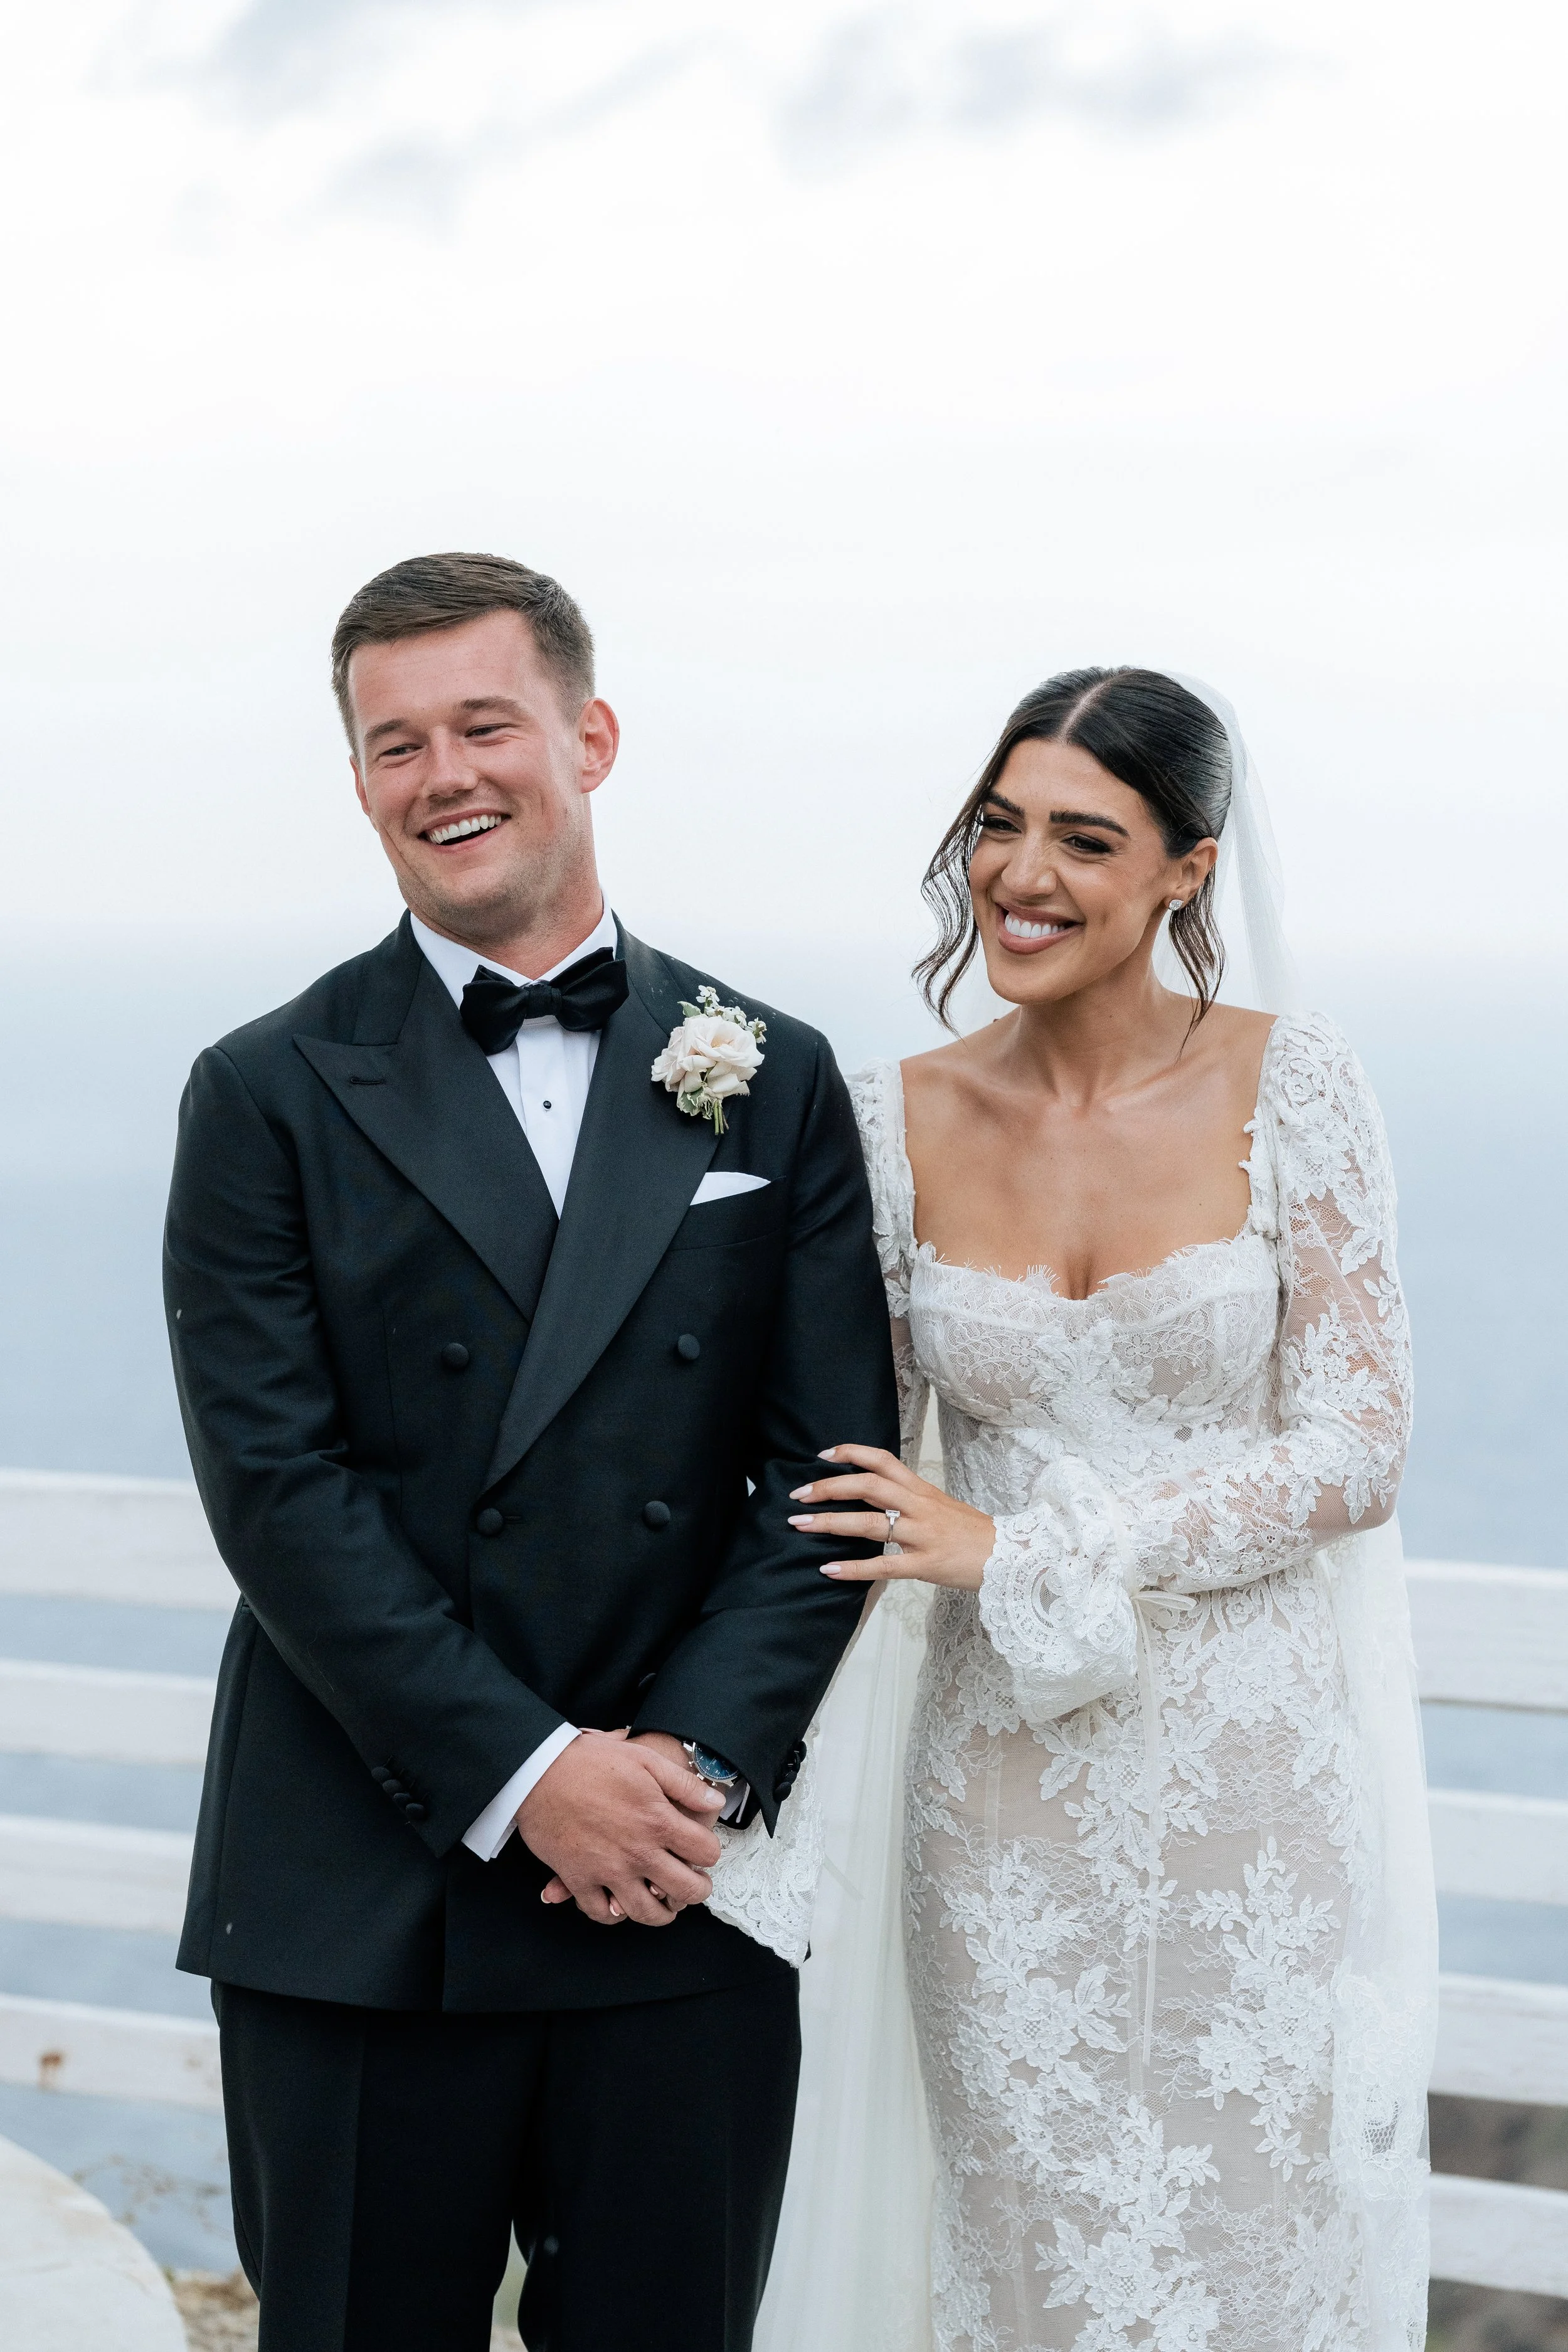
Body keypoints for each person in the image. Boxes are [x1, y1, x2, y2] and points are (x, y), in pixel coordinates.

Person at [162, 550, 899, 2352]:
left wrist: (683, 1778)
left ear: (591, 735)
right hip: (363, 1878)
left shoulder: (771, 1071)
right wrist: (527, 1771)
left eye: (483, 722)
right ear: (359, 783)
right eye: (392, 743)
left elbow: (829, 1477)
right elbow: (277, 1493)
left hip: (673, 1877)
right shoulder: (262, 1086)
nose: (443, 775)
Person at [748, 669, 1438, 2352]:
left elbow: (1356, 1445)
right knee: (1025, 2258)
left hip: (1251, 1809)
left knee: (1254, 2254)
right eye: (997, 826)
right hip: (997, 1816)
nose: (1020, 874)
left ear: (1185, 871)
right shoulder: (890, 1117)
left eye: (1082, 836)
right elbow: (832, 1444)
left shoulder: (1299, 1087)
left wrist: (1041, 1547)